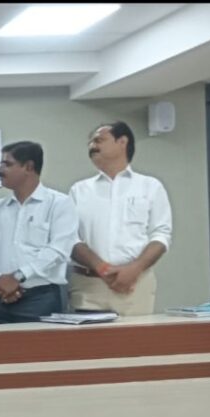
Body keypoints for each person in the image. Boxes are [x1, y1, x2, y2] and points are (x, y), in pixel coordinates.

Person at [68, 121, 173, 316]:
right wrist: (103, 269)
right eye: (90, 143)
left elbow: (161, 235)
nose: (92, 146)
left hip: (135, 285)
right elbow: (70, 238)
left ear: (122, 142)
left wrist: (134, 269)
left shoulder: (150, 186)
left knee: (136, 336)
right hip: (89, 286)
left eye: (98, 140)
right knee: (88, 337)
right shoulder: (79, 190)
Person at [0, 141, 79, 323]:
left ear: (29, 167)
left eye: (7, 164)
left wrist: (17, 277)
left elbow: (58, 250)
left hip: (39, 299)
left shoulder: (59, 204)